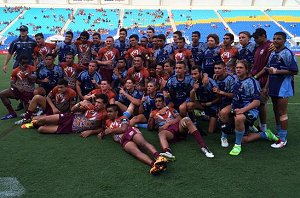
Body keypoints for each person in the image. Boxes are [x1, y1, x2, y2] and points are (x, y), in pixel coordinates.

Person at [99, 104, 168, 175]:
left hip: (130, 131)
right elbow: (105, 130)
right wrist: (102, 133)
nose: (108, 113)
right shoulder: (107, 122)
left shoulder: (123, 118)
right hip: (123, 140)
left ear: (116, 112)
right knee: (136, 152)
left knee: (143, 143)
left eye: (110, 111)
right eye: (107, 112)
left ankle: (159, 157)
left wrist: (111, 131)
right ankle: (155, 165)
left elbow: (124, 128)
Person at [148, 95, 214, 159]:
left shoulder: (170, 109)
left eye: (159, 101)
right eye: (156, 101)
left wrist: (168, 123)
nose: (157, 103)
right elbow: (150, 128)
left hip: (178, 127)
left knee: (187, 119)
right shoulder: (153, 113)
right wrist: (150, 118)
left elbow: (179, 118)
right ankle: (167, 152)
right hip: (168, 132)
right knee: (161, 134)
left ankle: (204, 147)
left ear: (164, 102)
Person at [219, 60, 261, 156]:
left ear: (247, 70)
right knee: (223, 112)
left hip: (249, 109)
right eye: (237, 67)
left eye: (241, 68)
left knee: (239, 118)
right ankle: (224, 137)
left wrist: (242, 110)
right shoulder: (235, 78)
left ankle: (237, 145)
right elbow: (224, 73)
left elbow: (257, 102)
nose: (238, 69)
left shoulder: (252, 82)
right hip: (235, 106)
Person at [265, 31, 298, 148]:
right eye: (274, 38)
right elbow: (269, 71)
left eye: (278, 39)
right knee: (275, 110)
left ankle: (283, 139)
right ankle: (279, 133)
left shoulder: (288, 53)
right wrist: (266, 87)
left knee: (282, 112)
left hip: (283, 86)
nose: (275, 40)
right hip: (273, 85)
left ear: (284, 40)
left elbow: (295, 70)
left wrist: (277, 71)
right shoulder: (272, 53)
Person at [33, 94, 108, 138]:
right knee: (41, 120)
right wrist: (79, 104)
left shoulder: (105, 114)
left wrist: (91, 132)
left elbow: (103, 128)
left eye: (99, 103)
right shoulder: (90, 106)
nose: (96, 104)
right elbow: (72, 110)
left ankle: (38, 121)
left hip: (71, 128)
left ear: (104, 104)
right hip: (69, 117)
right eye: (96, 102)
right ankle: (32, 121)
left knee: (41, 129)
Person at [0, 55, 36, 120]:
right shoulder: (15, 70)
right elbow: (12, 83)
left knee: (28, 114)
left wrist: (27, 75)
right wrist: (18, 87)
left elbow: (34, 80)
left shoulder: (32, 68)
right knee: (2, 94)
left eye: (26, 63)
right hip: (18, 91)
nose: (25, 65)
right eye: (23, 63)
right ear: (19, 63)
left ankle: (30, 107)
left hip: (29, 92)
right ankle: (12, 113)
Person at [251, 28, 272, 135]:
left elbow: (268, 66)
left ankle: (263, 127)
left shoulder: (269, 46)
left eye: (257, 37)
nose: (255, 39)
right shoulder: (259, 47)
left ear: (263, 36)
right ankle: (255, 124)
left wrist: (256, 77)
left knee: (261, 103)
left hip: (263, 80)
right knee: (255, 102)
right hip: (256, 79)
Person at [188, 66, 220, 134]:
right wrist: (193, 90)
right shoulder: (192, 81)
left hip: (212, 105)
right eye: (192, 74)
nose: (193, 76)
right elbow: (192, 99)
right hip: (202, 104)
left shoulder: (211, 82)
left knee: (211, 131)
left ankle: (214, 119)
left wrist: (210, 103)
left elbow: (219, 98)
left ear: (201, 73)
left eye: (195, 74)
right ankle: (194, 124)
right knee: (189, 105)